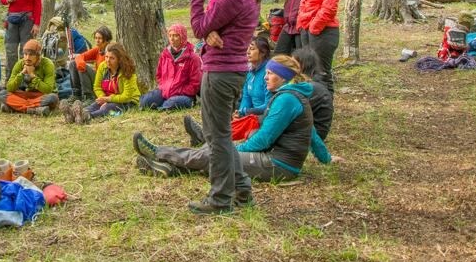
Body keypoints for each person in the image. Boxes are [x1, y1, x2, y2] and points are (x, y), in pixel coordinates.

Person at [132, 56, 337, 182]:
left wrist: (232, 149)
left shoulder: (287, 100)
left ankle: (159, 153)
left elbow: (264, 139)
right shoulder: (294, 96)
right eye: (265, 73)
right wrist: (326, 159)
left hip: (278, 166)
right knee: (213, 153)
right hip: (277, 161)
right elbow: (311, 134)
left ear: (283, 77)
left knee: (216, 156)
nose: (265, 77)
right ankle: (169, 168)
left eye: (271, 74)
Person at [188, 0, 264, 215]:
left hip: (221, 72)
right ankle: (242, 189)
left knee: (216, 138)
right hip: (231, 70)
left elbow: (198, 26)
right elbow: (211, 28)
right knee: (221, 135)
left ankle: (220, 198)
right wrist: (209, 32)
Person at [65, 42, 139, 122]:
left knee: (108, 108)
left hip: (128, 102)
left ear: (119, 59)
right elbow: (97, 87)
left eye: (112, 58)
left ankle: (87, 116)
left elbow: (126, 96)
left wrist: (108, 99)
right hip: (107, 98)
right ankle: (73, 115)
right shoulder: (103, 67)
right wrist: (102, 97)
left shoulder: (127, 72)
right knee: (94, 105)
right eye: (106, 57)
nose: (108, 60)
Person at [139, 24, 202, 112]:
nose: (172, 39)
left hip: (184, 95)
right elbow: (159, 75)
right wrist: (164, 87)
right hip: (165, 92)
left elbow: (195, 84)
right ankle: (162, 104)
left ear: (182, 37)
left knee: (171, 103)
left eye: (176, 36)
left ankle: (167, 105)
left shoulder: (193, 57)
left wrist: (179, 90)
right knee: (145, 101)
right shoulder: (165, 54)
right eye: (170, 35)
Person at [0, 0, 42, 74]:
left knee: (26, 51)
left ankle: (25, 79)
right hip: (12, 20)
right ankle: (10, 78)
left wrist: (37, 24)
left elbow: (38, 5)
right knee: (11, 50)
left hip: (27, 21)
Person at [0, 39, 59, 116]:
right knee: (1, 94)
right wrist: (22, 74)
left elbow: (48, 89)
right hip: (25, 94)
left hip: (40, 95)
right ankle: (33, 110)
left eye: (31, 54)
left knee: (52, 98)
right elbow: (9, 87)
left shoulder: (48, 64)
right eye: (25, 54)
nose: (27, 57)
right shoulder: (20, 64)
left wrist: (32, 75)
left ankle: (15, 107)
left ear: (38, 56)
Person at [292, 46, 334, 140]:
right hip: (304, 130)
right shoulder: (306, 83)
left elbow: (293, 111)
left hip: (312, 136)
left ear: (303, 65)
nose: (290, 67)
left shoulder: (312, 87)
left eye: (293, 64)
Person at [67, 26, 112, 102]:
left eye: (100, 38)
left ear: (106, 40)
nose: (97, 41)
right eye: (96, 38)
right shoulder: (98, 49)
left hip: (104, 82)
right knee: (73, 64)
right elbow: (81, 56)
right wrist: (80, 61)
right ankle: (76, 95)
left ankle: (88, 97)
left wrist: (82, 64)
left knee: (83, 67)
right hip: (97, 78)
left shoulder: (111, 51)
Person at [237, 35, 272, 117]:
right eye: (247, 49)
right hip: (252, 114)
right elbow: (246, 97)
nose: (248, 52)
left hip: (265, 115)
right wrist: (240, 112)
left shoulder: (269, 73)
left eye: (252, 49)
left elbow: (269, 105)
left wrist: (246, 111)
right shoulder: (250, 72)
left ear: (263, 52)